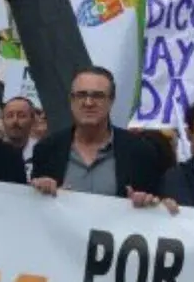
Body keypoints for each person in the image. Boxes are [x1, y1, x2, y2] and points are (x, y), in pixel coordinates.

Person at [30, 67, 162, 199]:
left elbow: (155, 207)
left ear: (111, 101)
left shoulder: (140, 152)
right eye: (81, 95)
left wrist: (147, 201)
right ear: (71, 100)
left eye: (98, 96)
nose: (88, 103)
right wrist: (40, 193)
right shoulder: (46, 150)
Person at [1, 97, 37, 174]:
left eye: (21, 116)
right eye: (10, 116)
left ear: (33, 120)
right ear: (2, 120)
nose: (15, 121)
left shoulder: (43, 153)